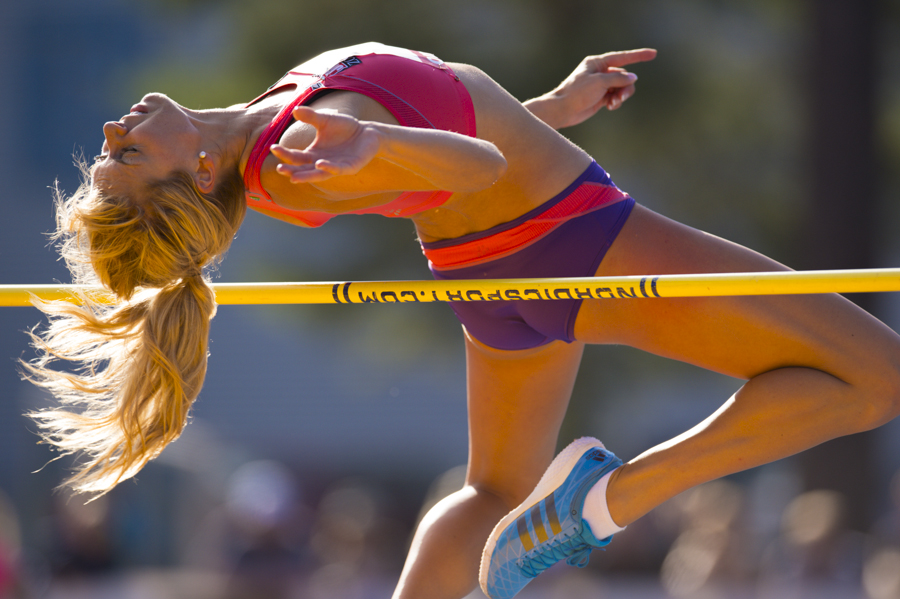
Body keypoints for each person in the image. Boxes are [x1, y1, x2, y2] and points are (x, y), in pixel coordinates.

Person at [21, 41, 900, 599]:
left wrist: (546, 111)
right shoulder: (302, 146)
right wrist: (378, 144)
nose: (114, 126)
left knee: (493, 493)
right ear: (199, 172)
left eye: (112, 148)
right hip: (571, 242)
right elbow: (477, 164)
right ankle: (611, 500)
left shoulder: (272, 137)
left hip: (495, 274)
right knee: (878, 377)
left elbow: (448, 127)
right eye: (129, 154)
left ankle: (564, 514)